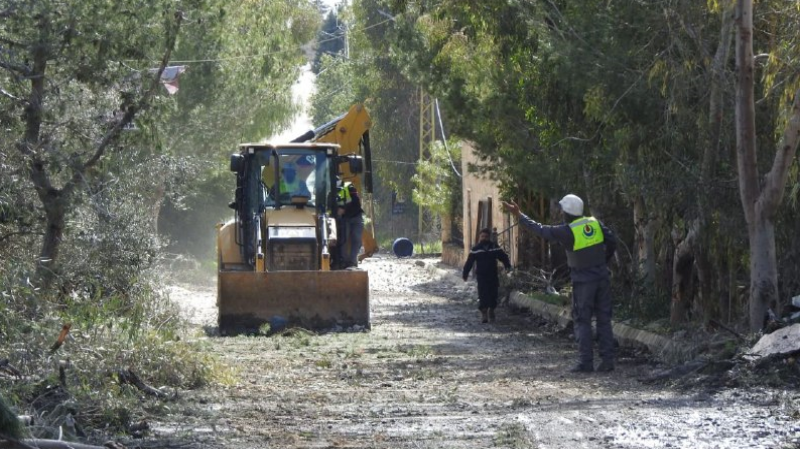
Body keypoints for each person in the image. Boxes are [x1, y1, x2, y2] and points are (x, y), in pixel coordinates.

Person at [502, 194, 617, 373]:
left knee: (583, 320)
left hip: (583, 281)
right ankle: (607, 361)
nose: (561, 213)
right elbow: (612, 241)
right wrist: (603, 260)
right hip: (602, 277)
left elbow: (540, 230)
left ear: (568, 213)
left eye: (563, 210)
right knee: (604, 319)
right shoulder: (595, 224)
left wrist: (520, 215)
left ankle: (586, 363)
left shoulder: (566, 230)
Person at [462, 228, 512, 323]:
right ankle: (484, 313)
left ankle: (491, 310)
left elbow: (503, 257)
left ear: (489, 237)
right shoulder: (475, 249)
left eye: (486, 236)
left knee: (493, 294)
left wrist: (507, 266)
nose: (484, 238)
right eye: (482, 236)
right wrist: (465, 273)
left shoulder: (494, 247)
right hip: (481, 276)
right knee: (483, 294)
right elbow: (469, 262)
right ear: (479, 237)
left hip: (493, 275)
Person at [337, 180, 364, 268]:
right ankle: (344, 261)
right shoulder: (328, 191)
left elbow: (356, 203)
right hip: (345, 218)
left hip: (355, 216)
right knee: (343, 240)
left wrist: (344, 210)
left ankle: (352, 261)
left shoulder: (349, 187)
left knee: (357, 239)